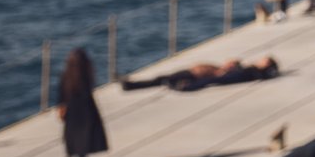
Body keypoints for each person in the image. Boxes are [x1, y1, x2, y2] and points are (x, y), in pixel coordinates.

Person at [56, 46, 109, 157]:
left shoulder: (66, 76)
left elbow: (61, 95)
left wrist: (62, 109)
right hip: (86, 113)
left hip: (72, 113)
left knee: (72, 140)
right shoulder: (85, 76)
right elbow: (87, 95)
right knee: (84, 141)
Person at [119, 55, 279, 92]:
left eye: (265, 60)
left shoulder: (251, 71)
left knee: (162, 79)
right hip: (196, 73)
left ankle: (131, 86)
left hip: (196, 75)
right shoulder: (246, 68)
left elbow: (216, 80)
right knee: (162, 79)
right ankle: (131, 85)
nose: (261, 59)